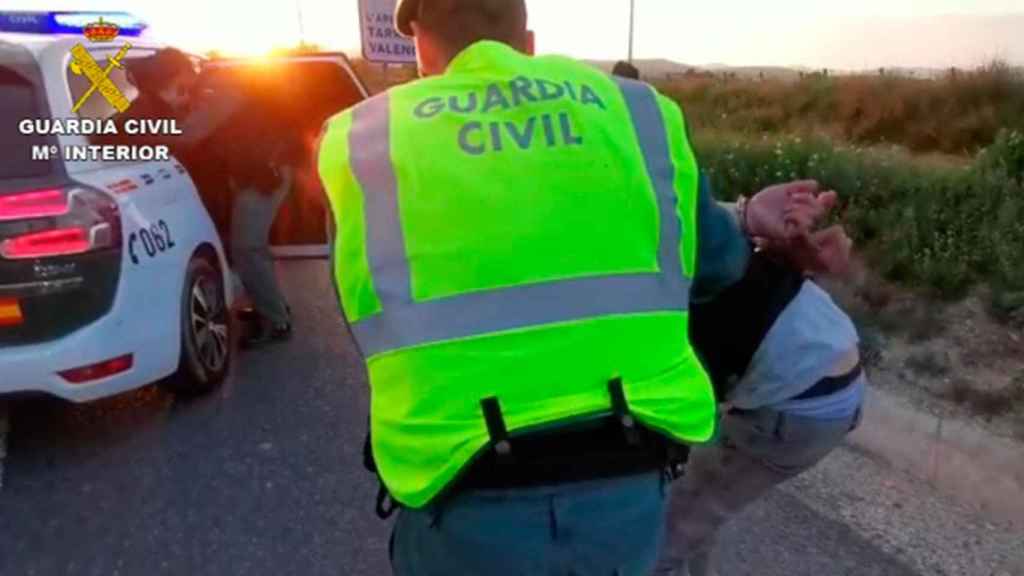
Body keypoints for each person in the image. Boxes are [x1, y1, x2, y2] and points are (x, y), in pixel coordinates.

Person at [317, 1, 843, 574]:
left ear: (422, 45)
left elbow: (366, 307)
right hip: (624, 492)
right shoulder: (635, 111)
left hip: (464, 496)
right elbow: (717, 264)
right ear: (528, 38)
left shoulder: (368, 135)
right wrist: (745, 216)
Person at [653, 229, 864, 576]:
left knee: (665, 534)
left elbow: (684, 407)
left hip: (798, 405)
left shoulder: (664, 310)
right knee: (694, 502)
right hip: (827, 356)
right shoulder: (680, 229)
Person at [111, 49, 299, 348]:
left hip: (264, 175)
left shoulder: (222, 91)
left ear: (178, 72)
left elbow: (189, 135)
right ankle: (271, 305)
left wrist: (120, 132)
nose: (175, 87)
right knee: (249, 248)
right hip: (253, 173)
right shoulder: (208, 87)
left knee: (247, 249)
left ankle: (276, 322)